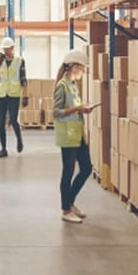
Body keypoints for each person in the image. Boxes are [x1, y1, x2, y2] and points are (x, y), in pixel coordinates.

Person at [53, 50, 93, 224]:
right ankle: (65, 209)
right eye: (83, 69)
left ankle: (70, 201)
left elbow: (74, 107)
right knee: (67, 172)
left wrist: (83, 108)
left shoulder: (73, 84)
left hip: (78, 134)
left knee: (86, 168)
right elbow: (56, 112)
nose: (83, 72)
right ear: (75, 67)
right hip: (68, 136)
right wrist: (78, 109)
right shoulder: (62, 85)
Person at [0, 37, 27, 158]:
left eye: (8, 49)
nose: (6, 52)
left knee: (12, 119)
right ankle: (3, 149)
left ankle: (19, 139)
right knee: (1, 123)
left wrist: (25, 95)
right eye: (4, 49)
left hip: (14, 94)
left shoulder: (19, 61)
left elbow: (23, 79)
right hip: (2, 94)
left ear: (12, 48)